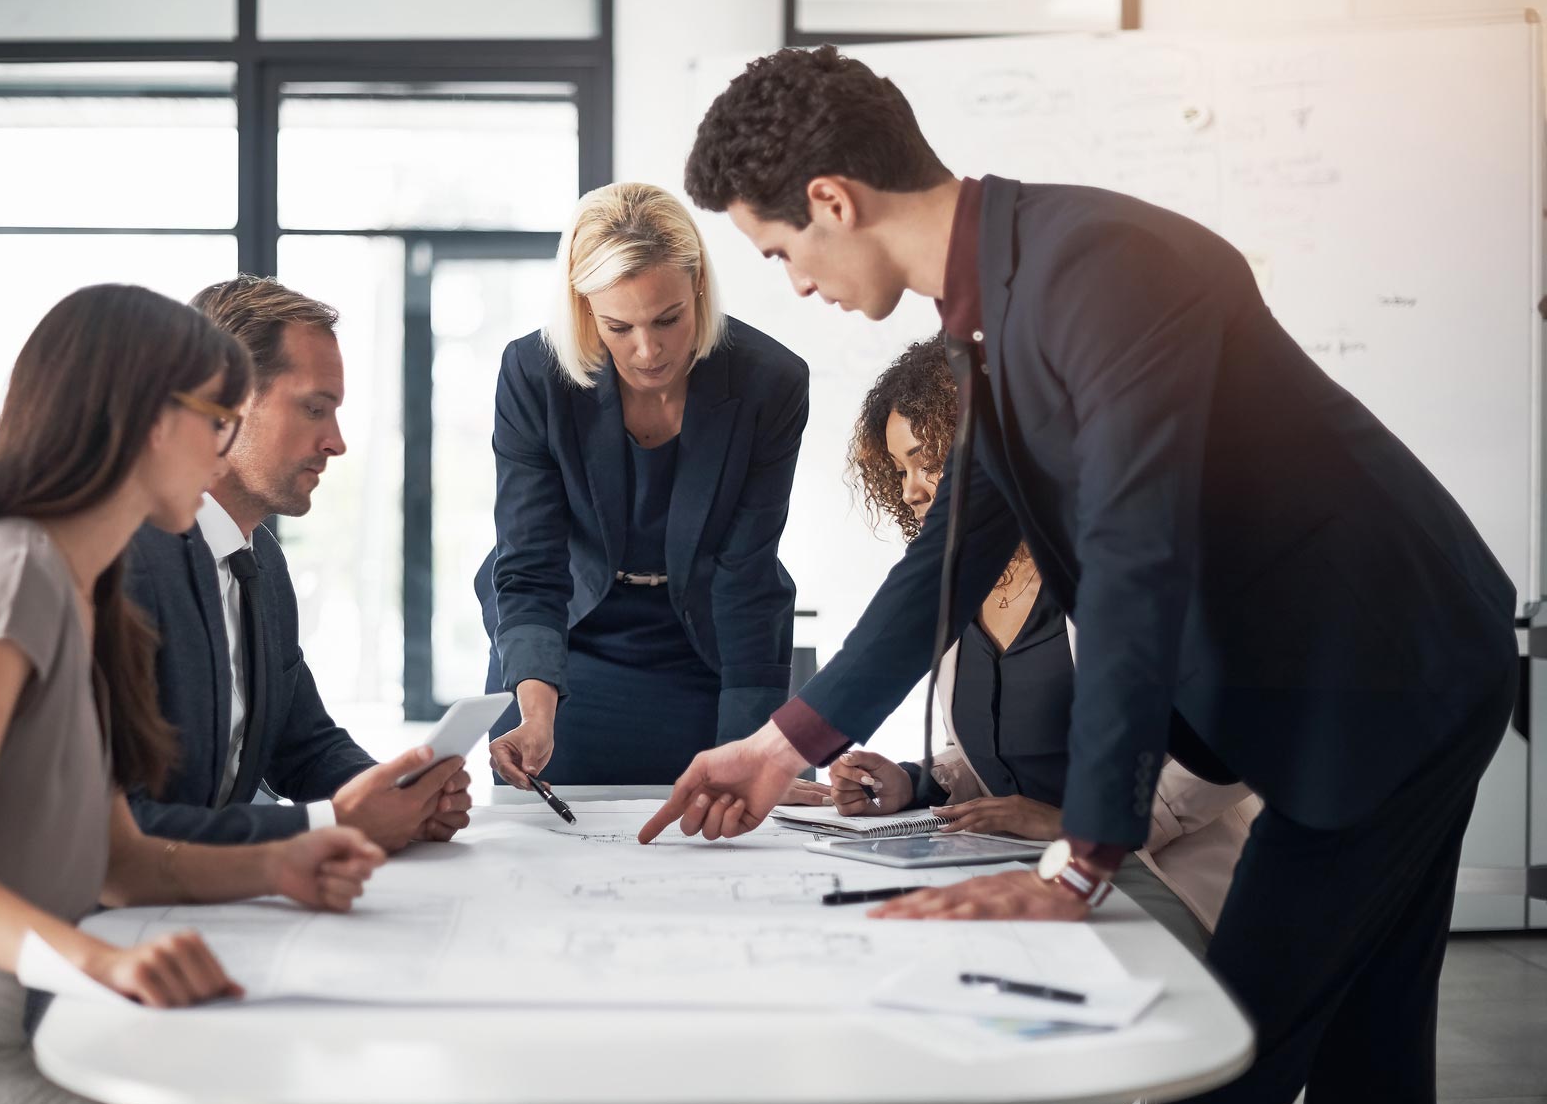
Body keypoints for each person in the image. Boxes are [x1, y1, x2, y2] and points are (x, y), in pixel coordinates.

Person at [641, 45, 1516, 1104]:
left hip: (1386, 673)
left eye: (779, 251)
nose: (794, 282)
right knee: (1366, 1048)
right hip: (1354, 676)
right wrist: (782, 744)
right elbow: (946, 559)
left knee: (1220, 1058)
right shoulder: (993, 303)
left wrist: (1078, 860)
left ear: (832, 200)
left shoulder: (1101, 266)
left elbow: (1135, 558)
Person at [0, 284, 387, 1104]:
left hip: (7, 1031)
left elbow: (120, 863)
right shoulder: (11, 572)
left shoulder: (80, 591)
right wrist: (102, 961)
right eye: (217, 420)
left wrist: (277, 862)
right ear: (144, 419)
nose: (223, 449)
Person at [814, 335, 1260, 953]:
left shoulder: (1116, 560)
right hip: (1013, 863)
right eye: (901, 471)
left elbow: (1235, 742)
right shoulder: (961, 586)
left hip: (1149, 867)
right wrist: (917, 782)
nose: (914, 490)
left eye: (929, 462)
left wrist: (1083, 826)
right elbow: (1000, 755)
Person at [477, 182, 809, 786]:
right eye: (618, 327)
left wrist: (753, 751)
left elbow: (747, 574)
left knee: (731, 834)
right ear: (583, 309)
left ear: (699, 286)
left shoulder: (771, 383)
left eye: (668, 319)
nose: (648, 351)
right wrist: (534, 710)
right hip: (569, 642)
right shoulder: (534, 374)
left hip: (707, 643)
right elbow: (530, 564)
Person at [126, 276, 472, 850]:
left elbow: (302, 745)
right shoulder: (129, 563)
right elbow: (122, 825)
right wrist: (330, 824)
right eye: (315, 409)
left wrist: (396, 794)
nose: (335, 442)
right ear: (226, 402)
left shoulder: (259, 559)